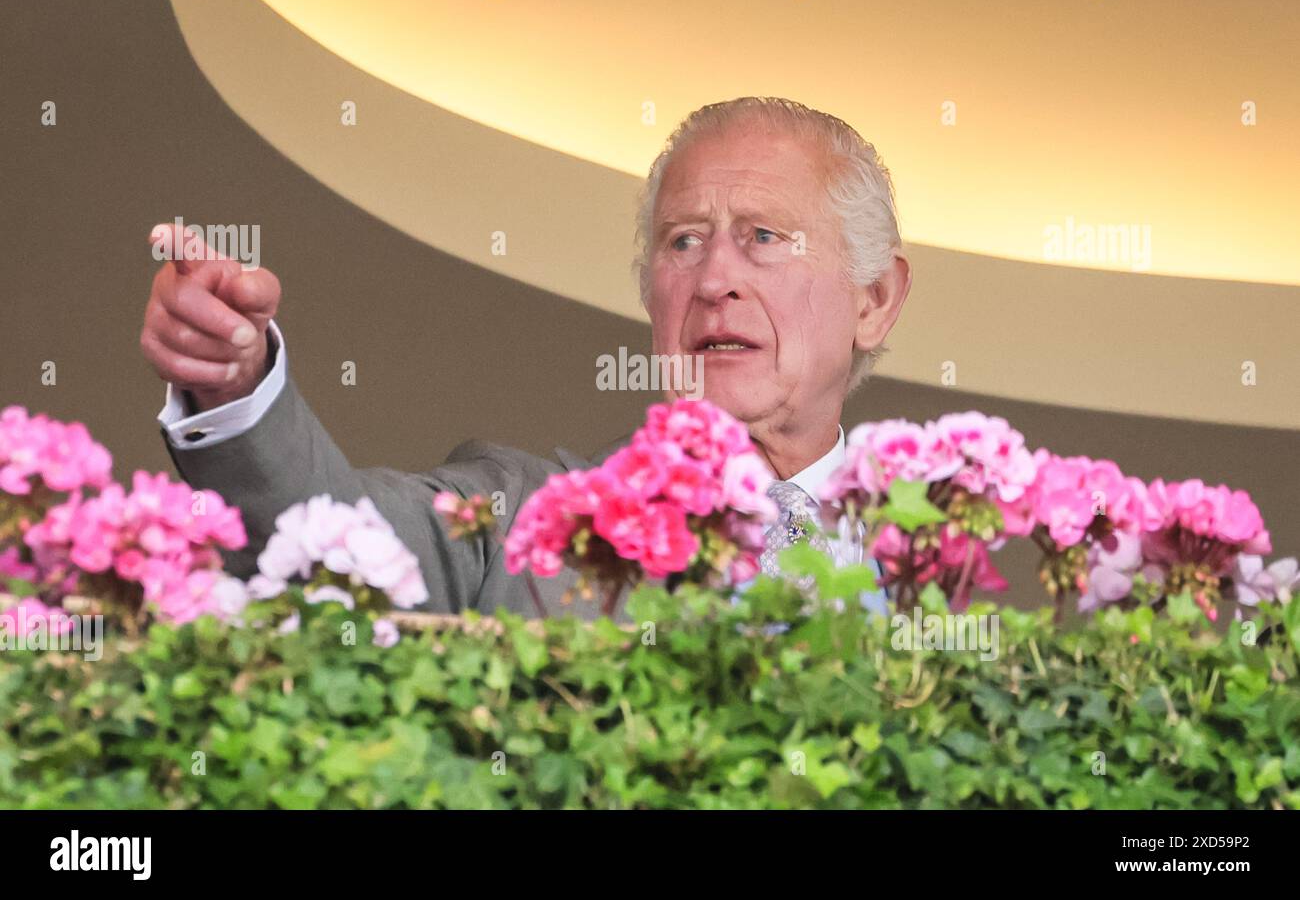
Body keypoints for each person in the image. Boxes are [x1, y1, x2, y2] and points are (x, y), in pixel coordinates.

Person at [139, 97, 912, 619]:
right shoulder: (523, 525)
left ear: (874, 299)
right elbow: (338, 536)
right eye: (683, 241)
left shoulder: (945, 579)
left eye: (763, 238)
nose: (713, 280)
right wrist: (238, 386)